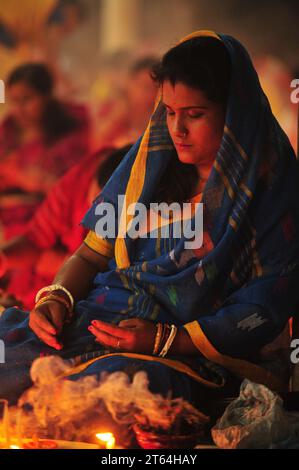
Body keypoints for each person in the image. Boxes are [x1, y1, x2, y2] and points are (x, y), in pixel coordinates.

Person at [1, 31, 299, 412]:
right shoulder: (148, 169)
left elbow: (263, 306)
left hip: (187, 352)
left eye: (195, 115)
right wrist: (57, 297)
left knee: (116, 388)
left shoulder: (269, 189)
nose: (178, 130)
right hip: (99, 319)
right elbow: (91, 256)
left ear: (234, 114)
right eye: (171, 112)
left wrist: (163, 340)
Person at [0, 145, 131, 310]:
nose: (92, 212)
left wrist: (59, 263)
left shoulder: (146, 220)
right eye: (92, 202)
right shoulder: (83, 178)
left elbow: (99, 271)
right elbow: (36, 237)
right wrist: (4, 257)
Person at [0, 62, 90, 240]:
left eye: (26, 99)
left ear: (46, 97)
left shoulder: (69, 136)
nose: (19, 109)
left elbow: (75, 187)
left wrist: (38, 184)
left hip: (48, 223)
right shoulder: (8, 130)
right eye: (14, 101)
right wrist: (19, 176)